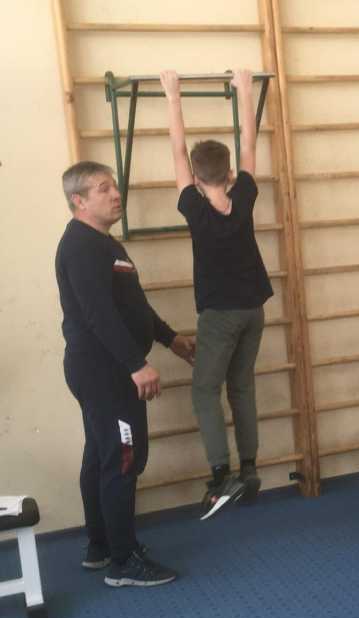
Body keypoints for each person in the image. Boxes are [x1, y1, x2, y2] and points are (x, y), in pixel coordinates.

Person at [56, 160, 195, 587]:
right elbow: (98, 315)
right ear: (79, 201)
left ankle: (102, 546)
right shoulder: (81, 246)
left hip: (106, 370)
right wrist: (136, 364)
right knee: (123, 458)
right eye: (103, 188)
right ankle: (123, 562)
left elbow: (133, 306)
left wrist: (170, 339)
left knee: (102, 455)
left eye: (114, 186)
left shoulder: (106, 244)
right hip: (105, 372)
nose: (116, 194)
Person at [161, 69, 273, 519]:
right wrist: (244, 90)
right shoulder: (243, 195)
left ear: (194, 175)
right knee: (241, 386)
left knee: (205, 391)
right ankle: (249, 469)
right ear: (228, 173)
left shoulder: (193, 205)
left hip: (221, 315)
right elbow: (249, 143)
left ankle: (221, 473)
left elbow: (176, 149)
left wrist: (173, 96)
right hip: (254, 310)